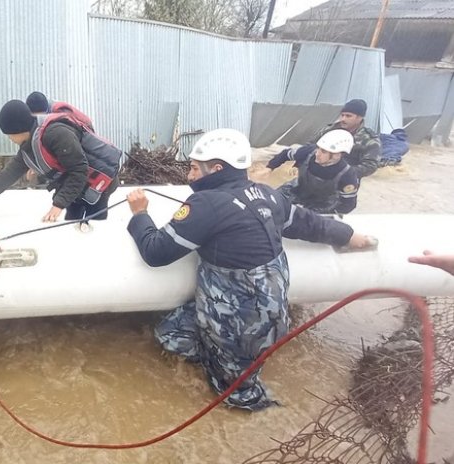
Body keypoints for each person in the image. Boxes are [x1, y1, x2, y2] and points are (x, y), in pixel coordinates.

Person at [126, 128, 375, 411]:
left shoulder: (206, 204)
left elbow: (156, 252)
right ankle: (216, 350)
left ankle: (257, 407)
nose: (189, 175)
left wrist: (140, 214)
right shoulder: (267, 195)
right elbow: (309, 224)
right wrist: (349, 235)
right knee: (170, 334)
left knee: (235, 395)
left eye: (195, 168)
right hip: (269, 312)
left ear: (216, 169)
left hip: (243, 324)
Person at [0, 100, 125, 222]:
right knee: (72, 222)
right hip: (77, 187)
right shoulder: (28, 146)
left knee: (92, 225)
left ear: (19, 129)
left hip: (100, 182)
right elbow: (9, 174)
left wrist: (58, 205)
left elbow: (79, 170)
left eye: (9, 134)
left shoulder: (55, 134)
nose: (9, 139)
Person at [261, 129, 359, 214]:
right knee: (269, 203)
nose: (317, 154)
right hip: (297, 192)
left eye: (324, 151)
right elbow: (286, 154)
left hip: (322, 205)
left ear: (337, 155)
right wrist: (269, 167)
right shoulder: (309, 152)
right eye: (319, 149)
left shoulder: (347, 175)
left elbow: (348, 205)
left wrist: (322, 215)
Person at [310, 99, 381, 178]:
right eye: (342, 115)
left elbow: (370, 165)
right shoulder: (330, 130)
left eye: (348, 116)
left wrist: (344, 172)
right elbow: (311, 145)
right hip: (316, 174)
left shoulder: (369, 140)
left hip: (345, 180)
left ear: (360, 118)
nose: (343, 119)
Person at [25, 91, 94, 130]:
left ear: (46, 110)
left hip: (85, 126)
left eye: (41, 116)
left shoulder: (59, 111)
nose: (39, 119)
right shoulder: (31, 108)